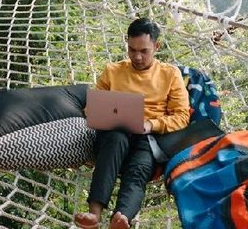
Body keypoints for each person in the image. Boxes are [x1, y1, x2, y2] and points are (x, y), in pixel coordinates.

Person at [74, 17, 190, 229]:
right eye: (131, 49)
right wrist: (101, 113)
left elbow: (182, 116)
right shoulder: (113, 71)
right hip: (114, 134)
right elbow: (91, 108)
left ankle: (122, 217)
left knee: (140, 167)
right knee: (116, 139)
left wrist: (151, 125)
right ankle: (94, 213)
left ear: (157, 46)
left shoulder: (171, 74)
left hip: (150, 137)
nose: (137, 57)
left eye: (144, 51)